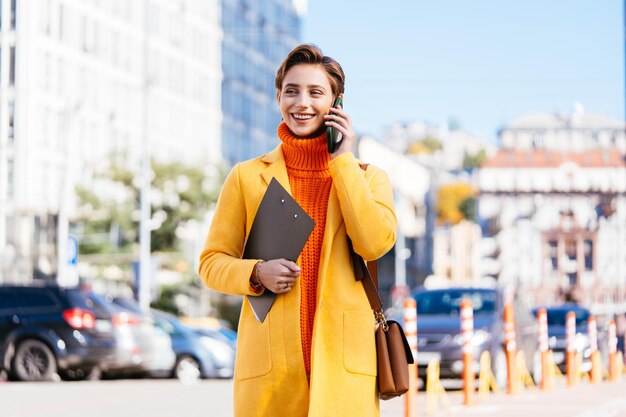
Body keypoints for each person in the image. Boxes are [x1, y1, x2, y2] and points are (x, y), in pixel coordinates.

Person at [198, 44, 397, 417]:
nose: (301, 102)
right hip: (270, 377)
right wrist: (256, 272)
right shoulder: (247, 177)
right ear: (278, 97)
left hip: (343, 373)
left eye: (315, 92)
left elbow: (375, 243)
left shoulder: (368, 178)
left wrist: (343, 163)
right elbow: (211, 263)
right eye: (292, 91)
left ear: (337, 103)